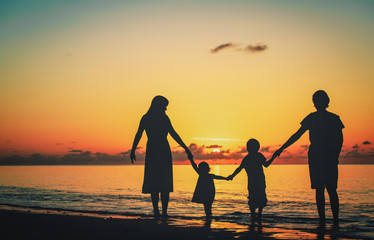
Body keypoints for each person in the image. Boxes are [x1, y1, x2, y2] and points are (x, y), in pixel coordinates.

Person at [272, 90, 344, 226]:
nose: (317, 103)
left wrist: (335, 155)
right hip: (318, 156)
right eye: (316, 101)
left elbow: (339, 139)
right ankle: (326, 220)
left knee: (328, 189)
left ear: (324, 102)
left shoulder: (334, 118)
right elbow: (297, 135)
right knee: (323, 189)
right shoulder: (314, 118)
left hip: (325, 156)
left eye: (318, 100)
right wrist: (281, 148)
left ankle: (333, 220)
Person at [130, 95, 193, 218]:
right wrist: (132, 150)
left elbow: (174, 134)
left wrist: (186, 148)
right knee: (160, 182)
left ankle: (160, 212)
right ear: (159, 105)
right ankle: (160, 212)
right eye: (165, 106)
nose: (166, 109)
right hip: (160, 150)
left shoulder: (151, 118)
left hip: (156, 150)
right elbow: (139, 134)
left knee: (161, 182)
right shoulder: (153, 118)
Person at [228, 138, 275, 225]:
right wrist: (274, 156)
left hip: (254, 182)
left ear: (248, 148)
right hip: (258, 182)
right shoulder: (257, 156)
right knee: (259, 199)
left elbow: (239, 169)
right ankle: (258, 216)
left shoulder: (248, 158)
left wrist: (232, 176)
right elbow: (266, 165)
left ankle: (254, 216)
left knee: (254, 199)